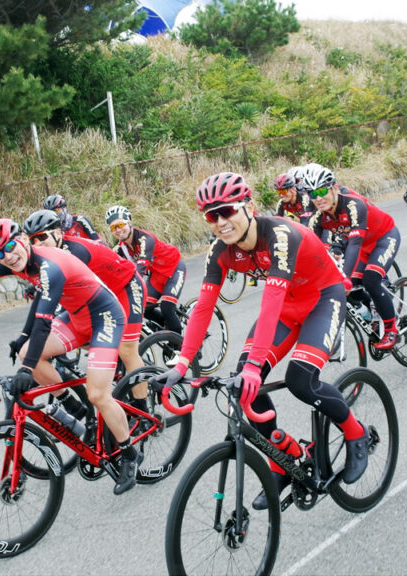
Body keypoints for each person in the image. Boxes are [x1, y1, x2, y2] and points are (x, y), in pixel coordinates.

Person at [148, 171, 370, 509]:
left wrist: (254, 365)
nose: (221, 222)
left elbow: (270, 301)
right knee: (244, 387)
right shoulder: (220, 251)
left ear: (248, 206)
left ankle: (356, 434)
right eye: (212, 215)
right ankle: (284, 460)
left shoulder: (280, 234)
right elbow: (204, 307)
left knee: (300, 380)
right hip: (286, 308)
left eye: (228, 211)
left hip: (322, 299)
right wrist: (181, 364)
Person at [0, 218, 142, 494]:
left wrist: (24, 371)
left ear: (24, 239)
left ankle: (130, 455)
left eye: (11, 246)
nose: (8, 257)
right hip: (76, 318)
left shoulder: (50, 267)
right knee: (30, 355)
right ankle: (74, 407)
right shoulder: (18, 261)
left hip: (104, 317)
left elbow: (42, 322)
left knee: (98, 394)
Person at [22, 209, 148, 404]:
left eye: (41, 237)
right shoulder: (46, 256)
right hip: (102, 296)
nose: (37, 244)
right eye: (32, 240)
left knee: (126, 349)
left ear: (58, 234)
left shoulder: (75, 252)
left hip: (126, 287)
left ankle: (143, 409)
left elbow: (65, 286)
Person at [302, 163, 402, 350]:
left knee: (370, 279)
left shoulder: (353, 204)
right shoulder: (318, 217)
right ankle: (371, 310)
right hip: (362, 246)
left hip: (383, 237)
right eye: (313, 194)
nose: (318, 198)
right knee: (348, 286)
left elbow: (354, 244)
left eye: (322, 191)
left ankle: (391, 329)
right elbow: (310, 249)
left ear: (335, 188)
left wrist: (345, 278)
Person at [105, 205, 187, 336]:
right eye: (114, 227)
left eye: (120, 224)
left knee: (166, 306)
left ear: (129, 222)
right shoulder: (120, 249)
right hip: (156, 276)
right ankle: (167, 329)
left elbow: (140, 269)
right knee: (143, 307)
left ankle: (180, 346)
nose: (118, 230)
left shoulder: (145, 239)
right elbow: (112, 270)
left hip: (174, 270)